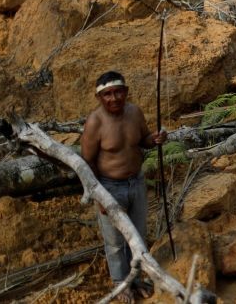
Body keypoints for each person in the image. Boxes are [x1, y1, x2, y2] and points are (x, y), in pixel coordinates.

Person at [80, 71, 167, 303]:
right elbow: (86, 162)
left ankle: (136, 279)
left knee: (137, 235)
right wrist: (98, 195)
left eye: (118, 92)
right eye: (107, 94)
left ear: (126, 92)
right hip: (109, 187)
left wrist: (155, 139)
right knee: (115, 241)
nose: (114, 98)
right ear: (99, 97)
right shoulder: (95, 122)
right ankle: (120, 284)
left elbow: (143, 139)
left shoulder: (135, 112)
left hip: (136, 182)